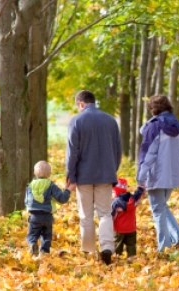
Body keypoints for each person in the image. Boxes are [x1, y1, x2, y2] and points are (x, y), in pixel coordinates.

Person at [65, 90, 122, 265]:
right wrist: (112, 170)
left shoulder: (76, 121)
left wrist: (71, 176)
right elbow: (117, 151)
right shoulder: (111, 121)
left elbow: (72, 152)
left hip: (83, 176)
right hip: (105, 174)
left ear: (80, 104)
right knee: (105, 213)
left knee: (86, 215)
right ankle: (107, 248)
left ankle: (89, 251)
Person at [137, 95, 179, 252]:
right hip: (172, 175)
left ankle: (164, 248)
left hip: (156, 175)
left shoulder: (153, 126)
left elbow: (148, 154)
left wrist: (141, 177)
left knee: (158, 210)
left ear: (154, 109)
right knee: (162, 207)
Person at [25, 161, 75, 256]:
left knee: (32, 234)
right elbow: (62, 198)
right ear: (49, 174)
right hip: (47, 216)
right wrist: (69, 189)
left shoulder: (30, 186)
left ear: (35, 173)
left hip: (34, 216)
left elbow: (27, 201)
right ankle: (44, 252)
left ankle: (32, 244)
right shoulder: (51, 185)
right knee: (46, 236)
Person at [111, 181, 145, 262]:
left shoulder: (115, 203)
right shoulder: (132, 200)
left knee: (118, 244)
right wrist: (141, 188)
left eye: (112, 191)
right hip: (131, 228)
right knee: (131, 244)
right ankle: (131, 257)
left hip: (119, 229)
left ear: (116, 191)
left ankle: (117, 257)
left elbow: (112, 216)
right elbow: (139, 195)